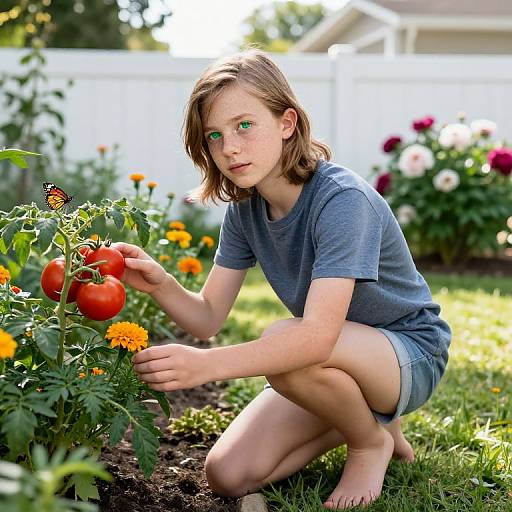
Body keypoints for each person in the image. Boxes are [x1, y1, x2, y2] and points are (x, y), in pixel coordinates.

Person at [113, 49, 451, 510]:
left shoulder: (342, 201)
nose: (229, 147)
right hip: (331, 360)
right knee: (228, 474)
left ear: (287, 122)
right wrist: (161, 285)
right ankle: (366, 418)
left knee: (287, 340)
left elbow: (313, 340)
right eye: (214, 136)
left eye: (244, 125)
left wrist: (206, 366)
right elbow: (208, 318)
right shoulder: (245, 210)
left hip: (407, 353)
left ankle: (369, 442)